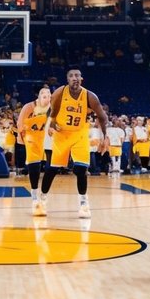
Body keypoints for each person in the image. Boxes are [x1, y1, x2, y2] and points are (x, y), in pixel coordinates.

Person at [42, 67, 109, 218]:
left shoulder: (89, 96)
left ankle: (84, 204)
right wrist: (51, 123)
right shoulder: (60, 92)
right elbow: (50, 110)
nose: (74, 78)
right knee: (52, 170)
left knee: (80, 170)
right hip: (62, 134)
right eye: (71, 76)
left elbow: (103, 117)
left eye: (77, 75)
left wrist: (105, 136)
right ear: (67, 79)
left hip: (79, 134)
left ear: (81, 79)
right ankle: (42, 199)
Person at [17, 86, 53, 214]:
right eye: (45, 96)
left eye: (49, 96)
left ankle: (43, 195)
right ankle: (34, 197)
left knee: (51, 168)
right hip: (31, 137)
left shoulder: (52, 108)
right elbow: (20, 124)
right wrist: (21, 138)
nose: (48, 98)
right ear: (39, 97)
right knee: (35, 166)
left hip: (46, 138)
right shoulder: (28, 107)